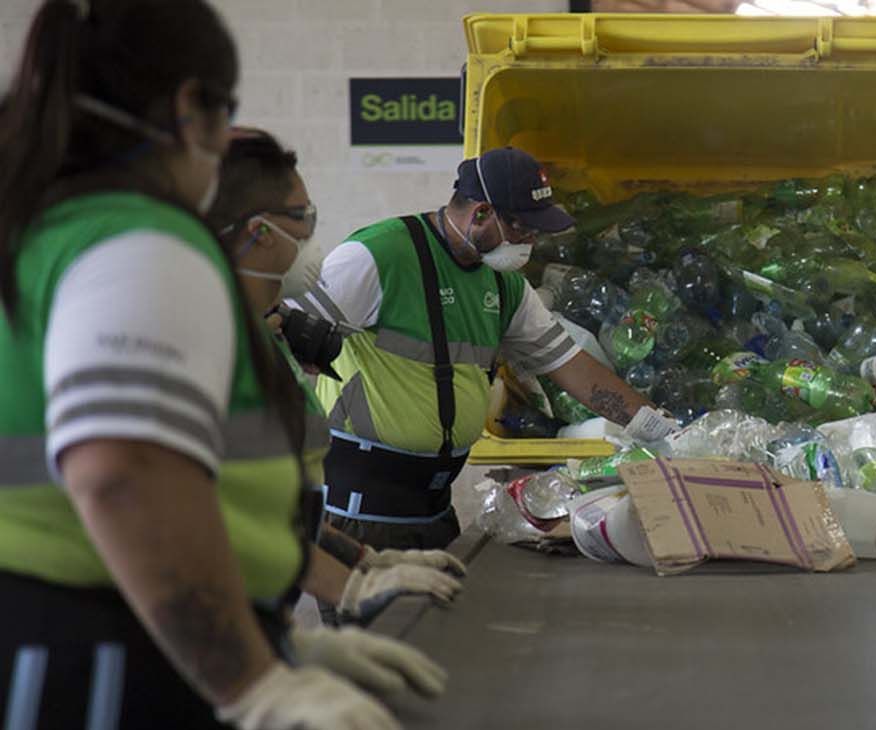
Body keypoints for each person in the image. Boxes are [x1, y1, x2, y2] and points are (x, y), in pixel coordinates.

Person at [0, 2, 416, 728]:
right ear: (191, 108)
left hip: (84, 636)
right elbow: (123, 475)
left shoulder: (46, 231)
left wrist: (280, 641)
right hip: (110, 654)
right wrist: (250, 678)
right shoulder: (138, 242)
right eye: (225, 119)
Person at [287, 146, 675, 550]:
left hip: (434, 511)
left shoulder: (502, 284)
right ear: (482, 213)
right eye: (522, 229)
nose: (529, 241)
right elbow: (281, 336)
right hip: (359, 517)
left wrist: (659, 431)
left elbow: (573, 368)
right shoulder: (378, 257)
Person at [208, 127, 471, 627]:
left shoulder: (261, 339)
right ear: (260, 231)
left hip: (259, 613)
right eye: (303, 218)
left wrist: (363, 561)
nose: (311, 238)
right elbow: (203, 521)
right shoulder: (211, 347)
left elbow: (274, 506)